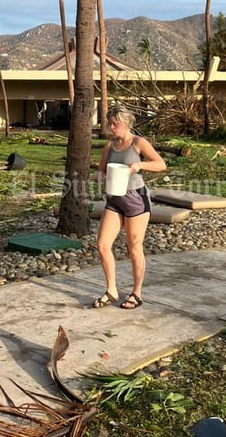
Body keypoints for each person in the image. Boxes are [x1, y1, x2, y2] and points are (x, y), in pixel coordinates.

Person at [92, 104, 166, 310]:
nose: (111, 128)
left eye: (115, 124)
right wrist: (100, 177)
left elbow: (161, 164)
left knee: (134, 248)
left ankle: (137, 293)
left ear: (125, 124)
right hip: (114, 199)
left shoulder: (138, 143)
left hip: (136, 200)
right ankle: (112, 290)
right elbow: (101, 170)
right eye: (110, 124)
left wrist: (140, 165)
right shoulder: (110, 145)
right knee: (102, 244)